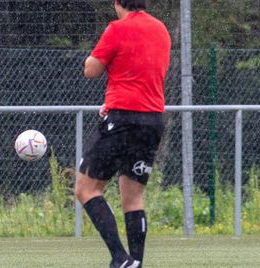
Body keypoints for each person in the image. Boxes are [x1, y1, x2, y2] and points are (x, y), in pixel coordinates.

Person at [76, 1, 171, 268]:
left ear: (116, 2)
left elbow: (91, 70)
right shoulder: (160, 29)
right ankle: (136, 262)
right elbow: (146, 70)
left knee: (87, 189)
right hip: (152, 121)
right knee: (133, 197)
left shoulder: (117, 29)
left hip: (122, 119)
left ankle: (120, 258)